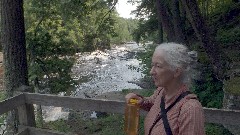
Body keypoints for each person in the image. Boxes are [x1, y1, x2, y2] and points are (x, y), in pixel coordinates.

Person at [125, 42, 205, 135]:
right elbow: (152, 103)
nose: (151, 72)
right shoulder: (161, 92)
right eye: (152, 65)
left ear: (176, 71)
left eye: (158, 66)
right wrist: (141, 101)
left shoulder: (190, 109)